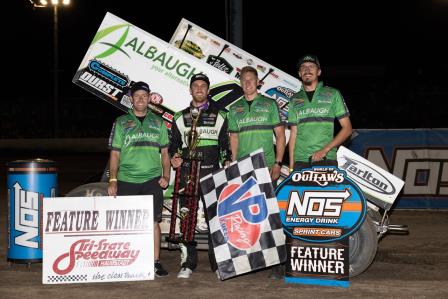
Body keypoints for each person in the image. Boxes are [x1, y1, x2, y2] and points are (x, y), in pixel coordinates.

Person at [169, 73, 232, 279]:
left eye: (203, 86)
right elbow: (173, 146)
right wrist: (174, 157)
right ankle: (188, 263)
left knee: (216, 221)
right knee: (187, 221)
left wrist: (227, 160)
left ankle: (218, 264)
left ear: (208, 90)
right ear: (190, 90)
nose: (199, 88)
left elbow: (225, 144)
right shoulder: (179, 117)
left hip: (212, 175)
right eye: (195, 85)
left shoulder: (221, 114)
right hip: (187, 175)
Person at [108, 81, 171, 278]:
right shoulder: (120, 122)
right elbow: (115, 155)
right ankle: (129, 261)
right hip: (126, 180)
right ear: (131, 98)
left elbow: (165, 154)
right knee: (128, 223)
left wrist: (166, 176)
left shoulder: (159, 123)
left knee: (153, 223)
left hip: (152, 180)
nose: (141, 99)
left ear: (150, 97)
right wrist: (113, 180)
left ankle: (155, 262)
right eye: (137, 96)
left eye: (144, 95)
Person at [288, 54, 352, 170]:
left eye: (311, 66)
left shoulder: (333, 94)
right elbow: (293, 134)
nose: (307, 70)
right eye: (303, 67)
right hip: (301, 161)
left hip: (326, 159)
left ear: (319, 72)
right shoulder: (294, 99)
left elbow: (347, 128)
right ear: (299, 73)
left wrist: (325, 150)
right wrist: (292, 166)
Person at [227, 66, 286, 184]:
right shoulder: (234, 108)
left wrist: (278, 163)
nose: (247, 83)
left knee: (266, 203)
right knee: (244, 203)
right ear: (240, 83)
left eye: (251, 80)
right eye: (244, 80)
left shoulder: (270, 104)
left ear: (258, 82)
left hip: (266, 165)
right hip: (242, 166)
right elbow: (233, 138)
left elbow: (280, 135)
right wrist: (233, 163)